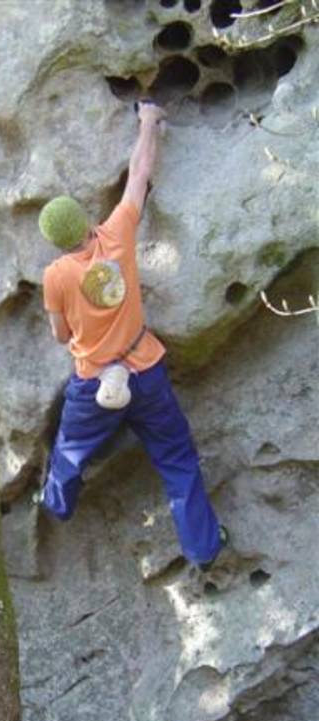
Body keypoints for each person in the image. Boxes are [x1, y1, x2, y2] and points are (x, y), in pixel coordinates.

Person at [37, 100, 227, 570]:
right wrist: (148, 121)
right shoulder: (117, 234)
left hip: (94, 383)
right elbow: (139, 174)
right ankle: (204, 548)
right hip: (145, 368)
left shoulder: (56, 276)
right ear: (86, 221)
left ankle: (57, 503)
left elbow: (60, 335)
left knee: (70, 449)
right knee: (177, 459)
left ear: (57, 242)